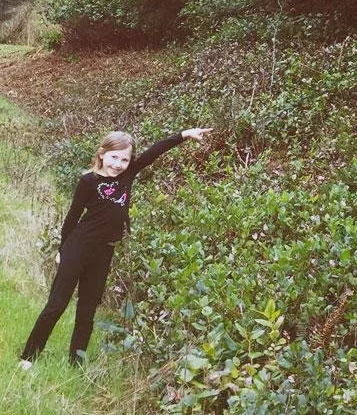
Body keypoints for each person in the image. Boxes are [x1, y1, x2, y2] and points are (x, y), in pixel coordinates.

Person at [19, 126, 213, 367]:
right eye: (114, 157)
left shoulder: (127, 175)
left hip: (104, 252)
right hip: (78, 248)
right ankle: (29, 357)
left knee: (87, 312)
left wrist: (183, 135)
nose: (118, 164)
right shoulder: (88, 181)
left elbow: (154, 152)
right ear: (102, 154)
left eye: (125, 159)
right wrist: (62, 250)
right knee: (57, 305)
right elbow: (72, 217)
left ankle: (75, 363)